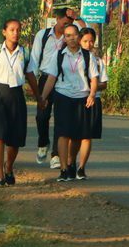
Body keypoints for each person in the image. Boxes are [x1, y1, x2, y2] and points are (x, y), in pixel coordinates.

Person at [0, 19, 39, 187]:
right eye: (12, 30)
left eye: (18, 30)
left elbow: (31, 77)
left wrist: (39, 97)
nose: (15, 33)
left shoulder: (25, 53)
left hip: (16, 95)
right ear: (4, 32)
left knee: (14, 139)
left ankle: (9, 167)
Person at [40, 24, 98, 182]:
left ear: (79, 37)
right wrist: (43, 98)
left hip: (82, 97)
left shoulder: (87, 56)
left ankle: (74, 164)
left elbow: (94, 78)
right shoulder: (59, 56)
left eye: (74, 35)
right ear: (64, 38)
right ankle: (64, 169)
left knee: (79, 135)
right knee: (63, 133)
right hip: (63, 95)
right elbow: (51, 78)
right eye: (67, 35)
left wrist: (92, 94)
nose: (71, 38)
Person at [28, 7, 74, 169]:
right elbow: (34, 58)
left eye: (70, 23)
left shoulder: (71, 37)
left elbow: (84, 30)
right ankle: (43, 142)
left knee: (60, 118)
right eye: (65, 22)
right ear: (57, 19)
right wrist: (31, 81)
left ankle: (55, 154)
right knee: (42, 115)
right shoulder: (43, 35)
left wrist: (78, 17)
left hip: (63, 81)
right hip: (45, 78)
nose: (66, 25)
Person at [73, 27, 107, 180]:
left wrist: (92, 86)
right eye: (85, 41)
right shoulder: (73, 59)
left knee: (87, 136)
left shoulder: (98, 61)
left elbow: (104, 83)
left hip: (93, 100)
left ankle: (81, 168)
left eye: (91, 41)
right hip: (76, 98)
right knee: (73, 135)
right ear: (79, 41)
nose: (88, 44)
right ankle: (69, 163)